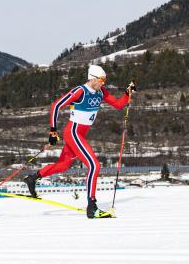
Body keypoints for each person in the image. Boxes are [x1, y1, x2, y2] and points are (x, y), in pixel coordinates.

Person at [23, 65, 135, 218]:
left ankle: (33, 178)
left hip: (80, 134)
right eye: (101, 80)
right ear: (92, 78)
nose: (103, 83)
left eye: (104, 80)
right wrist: (53, 132)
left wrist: (128, 93)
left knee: (63, 165)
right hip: (73, 133)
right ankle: (92, 206)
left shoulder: (101, 91)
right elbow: (56, 106)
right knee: (94, 165)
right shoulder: (80, 91)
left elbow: (118, 104)